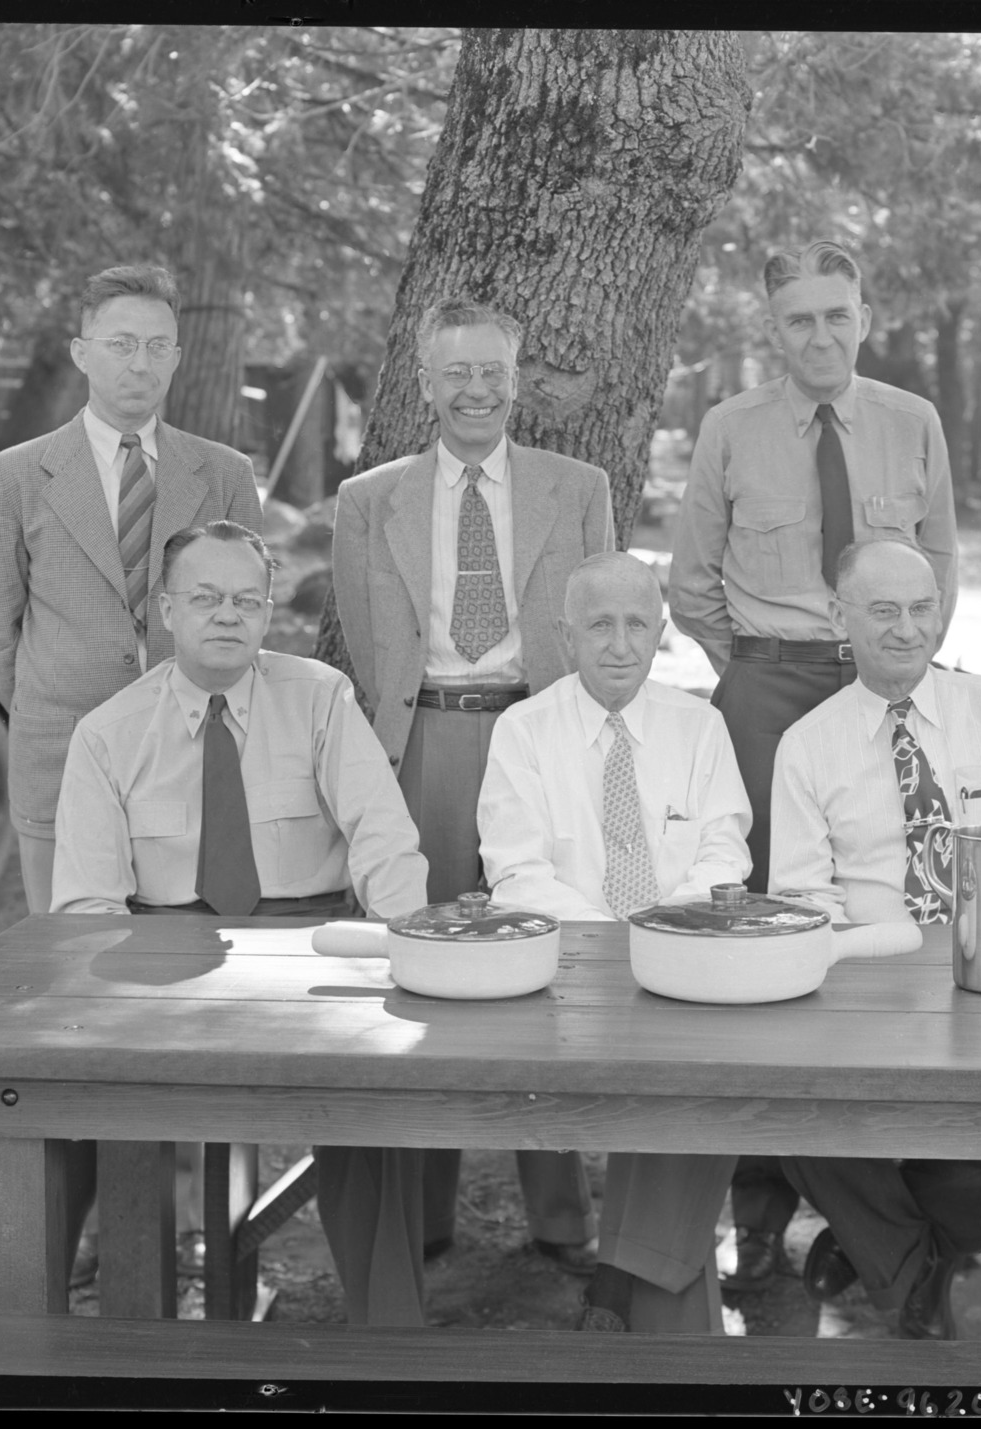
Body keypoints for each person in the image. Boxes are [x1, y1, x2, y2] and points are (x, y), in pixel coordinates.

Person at [49, 520, 434, 1326]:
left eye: (246, 600)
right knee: (115, 1099)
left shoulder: (319, 694)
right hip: (163, 958)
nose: (227, 615)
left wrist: (402, 956)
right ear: (164, 609)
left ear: (267, 613)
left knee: (374, 1100)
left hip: (314, 947)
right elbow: (86, 910)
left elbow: (384, 838)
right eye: (205, 598)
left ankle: (391, 1335)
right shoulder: (108, 733)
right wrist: (125, 1014)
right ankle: (140, 1334)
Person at [0, 263, 262, 1283]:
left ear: (178, 355)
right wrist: (69, 709)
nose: (139, 363)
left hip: (191, 766)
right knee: (79, 995)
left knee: (190, 986)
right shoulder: (11, 479)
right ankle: (88, 1224)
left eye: (157, 345)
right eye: (119, 343)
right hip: (59, 764)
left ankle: (194, 1221)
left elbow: (233, 608)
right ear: (83, 350)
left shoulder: (220, 472)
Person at [666, 238, 958, 1291]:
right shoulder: (729, 429)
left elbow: (940, 561)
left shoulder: (910, 421)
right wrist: (754, 664)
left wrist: (890, 663)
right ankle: (757, 1206)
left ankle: (890, 1178)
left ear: (864, 317)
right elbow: (692, 577)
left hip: (879, 678)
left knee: (882, 901)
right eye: (798, 319)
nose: (820, 335)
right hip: (766, 690)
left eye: (836, 315)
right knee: (758, 925)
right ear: (770, 329)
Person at [765, 539, 981, 1339]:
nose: (905, 629)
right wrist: (856, 962)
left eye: (922, 608)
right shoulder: (808, 744)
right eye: (883, 610)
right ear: (839, 618)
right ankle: (915, 1276)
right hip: (865, 985)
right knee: (795, 1117)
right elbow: (798, 897)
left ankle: (878, 1247)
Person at [331, 297, 611, 1276]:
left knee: (553, 957)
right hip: (428, 748)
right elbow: (369, 651)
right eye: (457, 372)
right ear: (424, 380)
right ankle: (421, 1211)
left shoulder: (576, 489)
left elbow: (595, 622)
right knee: (427, 968)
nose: (477, 390)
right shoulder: (369, 500)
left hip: (539, 739)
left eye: (493, 371)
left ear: (515, 375)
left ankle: (563, 1215)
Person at [476, 552, 754, 1334]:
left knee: (693, 1070)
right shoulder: (523, 730)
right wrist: (615, 945)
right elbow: (515, 873)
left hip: (682, 963)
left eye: (638, 624)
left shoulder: (697, 725)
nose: (620, 643)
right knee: (666, 1063)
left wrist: (660, 939)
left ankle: (622, 1288)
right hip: (566, 973)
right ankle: (655, 1302)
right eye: (600, 624)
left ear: (662, 632)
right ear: (566, 637)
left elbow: (725, 854)